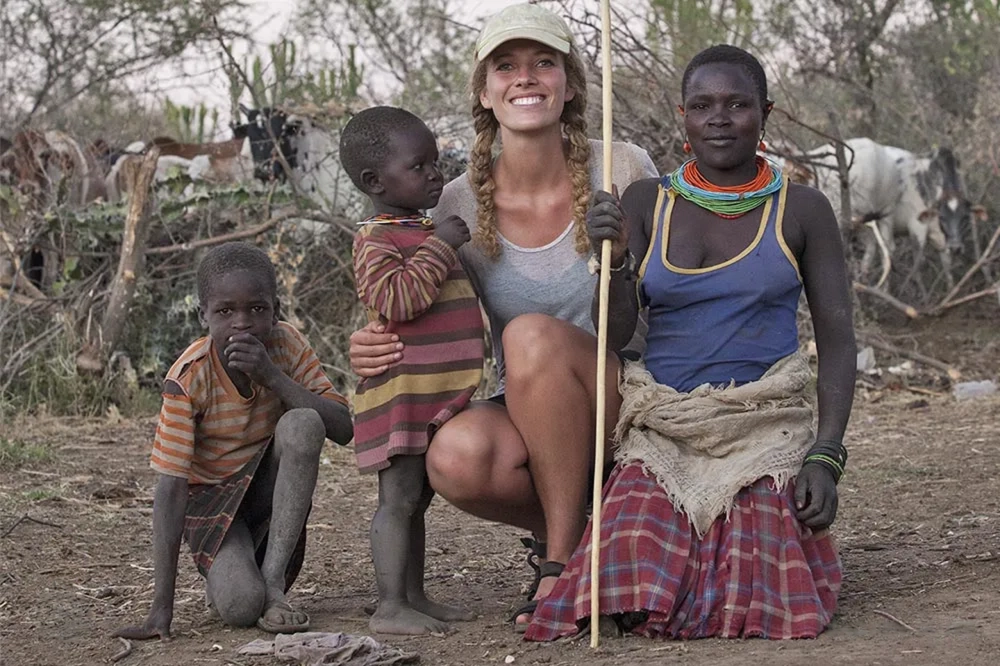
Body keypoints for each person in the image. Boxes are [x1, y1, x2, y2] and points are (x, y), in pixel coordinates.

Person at [524, 44, 856, 641]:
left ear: (766, 113)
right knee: (619, 581)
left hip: (763, 422)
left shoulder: (803, 209)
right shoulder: (648, 202)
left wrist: (826, 455)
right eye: (702, 105)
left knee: (759, 595)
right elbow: (618, 333)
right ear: (683, 116)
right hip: (666, 425)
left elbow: (837, 339)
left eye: (737, 104)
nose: (720, 118)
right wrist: (617, 262)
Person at [347, 3, 658, 631]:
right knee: (456, 456)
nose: (526, 77)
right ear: (485, 91)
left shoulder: (622, 168)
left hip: (625, 391)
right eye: (506, 66)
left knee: (529, 336)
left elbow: (644, 317)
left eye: (544, 62)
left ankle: (560, 564)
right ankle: (595, 529)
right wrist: (372, 341)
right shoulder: (456, 201)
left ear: (568, 84)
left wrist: (619, 260)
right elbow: (416, 299)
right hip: (524, 405)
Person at [115, 242, 353, 640]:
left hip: (265, 490)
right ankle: (240, 579)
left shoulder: (287, 345)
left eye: (257, 309)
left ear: (276, 309)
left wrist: (272, 377)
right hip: (210, 498)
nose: (242, 323)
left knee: (303, 423)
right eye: (226, 311)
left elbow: (343, 428)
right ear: (203, 315)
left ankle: (273, 584)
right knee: (241, 607)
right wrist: (162, 608)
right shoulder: (189, 376)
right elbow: (171, 489)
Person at [340, 106, 483, 635]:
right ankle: (389, 604)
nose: (434, 175)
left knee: (416, 502)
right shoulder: (377, 238)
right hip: (400, 395)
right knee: (397, 501)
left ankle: (414, 595)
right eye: (418, 166)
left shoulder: (414, 230)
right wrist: (441, 244)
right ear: (375, 182)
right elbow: (398, 300)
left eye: (434, 162)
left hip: (431, 396)